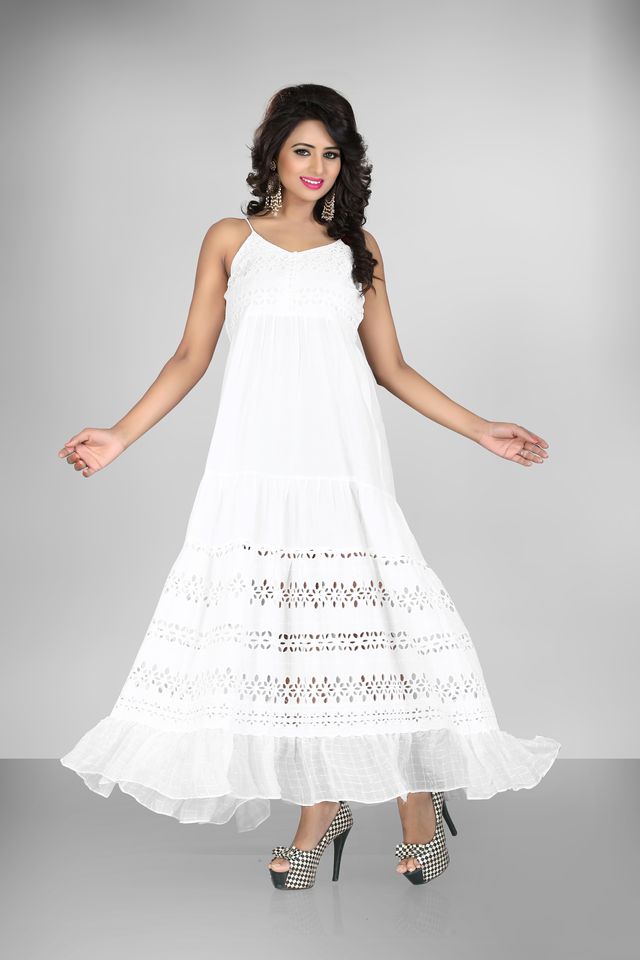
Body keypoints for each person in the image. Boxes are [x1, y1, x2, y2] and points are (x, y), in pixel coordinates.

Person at [58, 84, 561, 891]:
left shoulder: (358, 249)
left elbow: (391, 367)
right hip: (255, 468)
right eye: (303, 150)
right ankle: (320, 806)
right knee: (288, 642)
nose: (317, 166)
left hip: (341, 467)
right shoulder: (231, 239)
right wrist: (119, 434)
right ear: (274, 154)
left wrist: (480, 428)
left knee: (371, 635)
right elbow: (190, 355)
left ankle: (417, 798)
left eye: (331, 153)